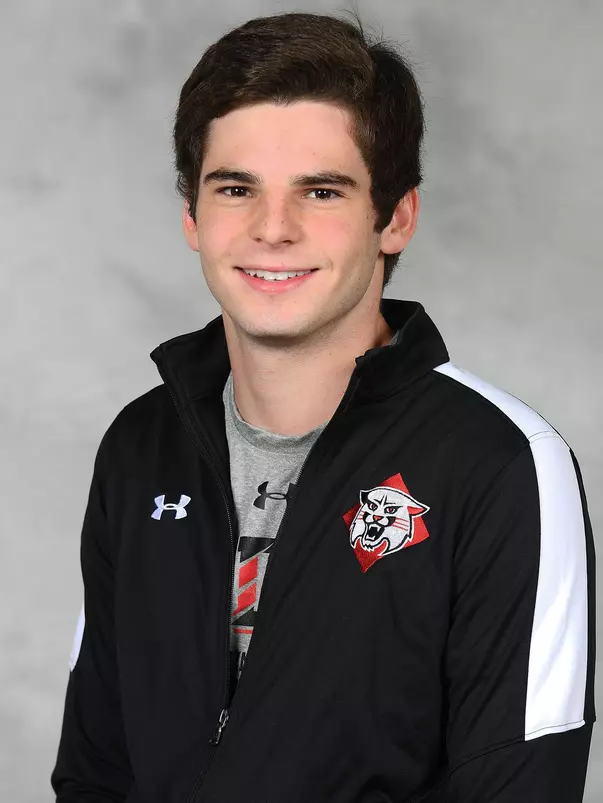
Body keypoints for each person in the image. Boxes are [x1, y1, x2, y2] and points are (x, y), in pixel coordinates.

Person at [51, 10, 596, 803]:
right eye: (235, 188)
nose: (274, 228)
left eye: (321, 189)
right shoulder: (142, 444)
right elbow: (96, 766)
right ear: (191, 216)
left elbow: (519, 783)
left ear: (394, 216)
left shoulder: (501, 463)